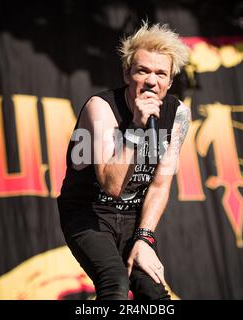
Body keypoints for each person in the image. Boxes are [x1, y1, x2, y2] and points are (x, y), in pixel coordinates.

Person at [57, 22, 191, 300]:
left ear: (170, 81)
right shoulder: (101, 108)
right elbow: (111, 185)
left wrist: (144, 238)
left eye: (160, 73)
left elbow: (160, 185)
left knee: (153, 292)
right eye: (142, 70)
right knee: (115, 283)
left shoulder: (178, 115)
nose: (151, 81)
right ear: (127, 74)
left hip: (133, 217)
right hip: (89, 212)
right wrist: (136, 129)